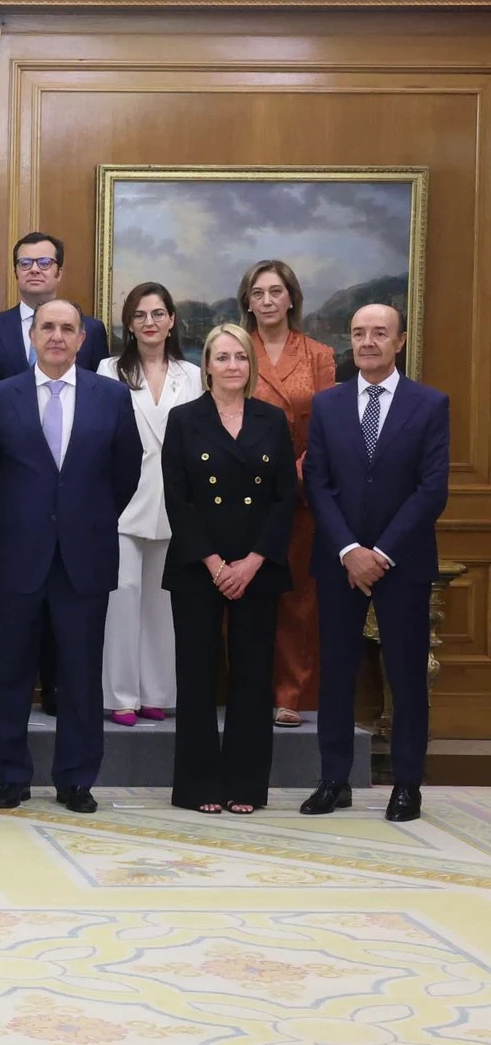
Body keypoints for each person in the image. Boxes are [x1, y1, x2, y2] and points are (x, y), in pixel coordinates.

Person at [0, 299, 141, 814]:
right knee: (10, 672)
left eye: (69, 328)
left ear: (83, 339)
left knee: (80, 674)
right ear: (33, 336)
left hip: (83, 557)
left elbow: (125, 470)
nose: (58, 336)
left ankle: (76, 778)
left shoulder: (111, 397)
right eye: (48, 327)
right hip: (14, 557)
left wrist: (85, 518)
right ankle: (10, 776)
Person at [302, 304, 449, 823]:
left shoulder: (430, 404)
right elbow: (316, 482)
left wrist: (381, 553)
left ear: (400, 341)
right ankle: (334, 779)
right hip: (339, 559)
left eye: (379, 333)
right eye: (360, 333)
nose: (367, 342)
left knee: (406, 675)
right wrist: (349, 550)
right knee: (336, 672)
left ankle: (407, 785)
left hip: (402, 563)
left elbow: (432, 491)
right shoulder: (328, 405)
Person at [161, 324, 296, 814]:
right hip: (201, 565)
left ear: (250, 365)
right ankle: (198, 787)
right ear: (207, 366)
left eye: (240, 357)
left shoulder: (272, 419)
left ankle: (245, 786)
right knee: (196, 676)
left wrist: (254, 560)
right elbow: (178, 498)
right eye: (222, 357)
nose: (232, 366)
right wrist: (217, 564)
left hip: (257, 566)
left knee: (253, 677)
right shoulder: (183, 419)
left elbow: (284, 498)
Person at [97, 282, 202, 727]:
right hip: (122, 502)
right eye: (140, 315)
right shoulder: (107, 371)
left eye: (158, 314)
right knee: (122, 600)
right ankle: (121, 696)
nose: (149, 323)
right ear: (129, 324)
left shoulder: (193, 375)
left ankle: (156, 693)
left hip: (176, 503)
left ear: (172, 320)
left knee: (163, 604)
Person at [239, 260, 336, 730]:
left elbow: (328, 426)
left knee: (299, 597)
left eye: (276, 291)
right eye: (258, 293)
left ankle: (291, 695)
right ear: (248, 302)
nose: (267, 300)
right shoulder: (236, 350)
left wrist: (293, 475)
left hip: (299, 490)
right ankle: (249, 689)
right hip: (241, 493)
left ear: (292, 298)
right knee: (246, 594)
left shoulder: (318, 354)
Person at [0, 231, 111, 379]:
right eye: (25, 263)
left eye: (44, 263)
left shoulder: (92, 330)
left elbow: (98, 390)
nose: (34, 270)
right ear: (16, 273)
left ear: (59, 273)